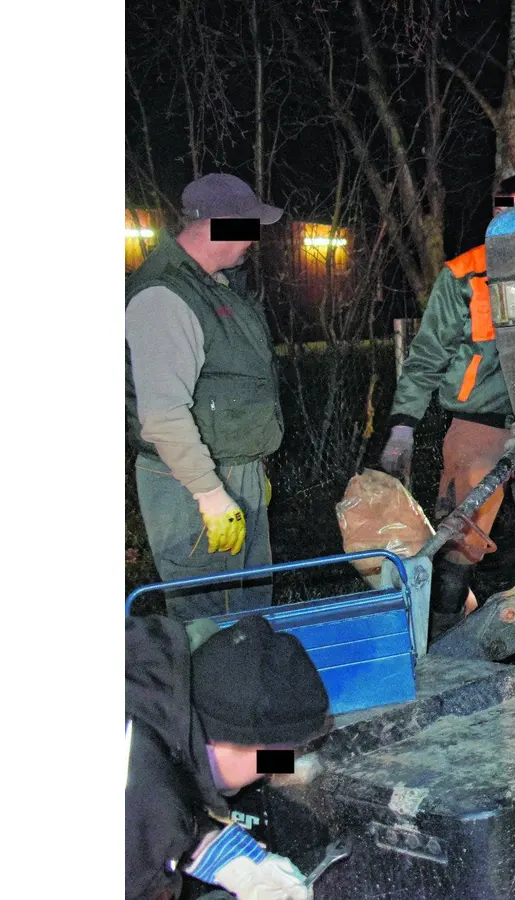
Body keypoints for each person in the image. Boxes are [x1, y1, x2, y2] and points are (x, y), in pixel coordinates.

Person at [378, 174, 515, 640]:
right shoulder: (465, 275)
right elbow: (427, 355)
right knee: (460, 533)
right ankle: (441, 634)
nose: (509, 217)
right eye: (503, 207)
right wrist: (403, 425)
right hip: (480, 424)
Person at [127, 173, 284, 619]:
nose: (253, 239)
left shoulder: (216, 284)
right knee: (212, 621)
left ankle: (248, 688)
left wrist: (250, 461)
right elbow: (162, 414)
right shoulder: (164, 296)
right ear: (218, 223)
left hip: (234, 471)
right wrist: (209, 492)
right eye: (248, 225)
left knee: (250, 613)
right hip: (192, 485)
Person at [126, 614, 331, 900]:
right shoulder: (144, 799)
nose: (268, 770)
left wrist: (226, 856)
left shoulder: (149, 687)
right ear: (240, 740)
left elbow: (179, 778)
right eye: (275, 756)